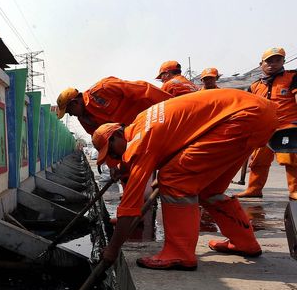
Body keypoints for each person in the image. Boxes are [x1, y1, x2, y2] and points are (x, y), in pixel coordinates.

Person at [97, 89, 279, 270]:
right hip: (257, 113)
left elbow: (129, 208)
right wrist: (123, 168)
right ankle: (244, 242)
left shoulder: (140, 143)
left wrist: (112, 250)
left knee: (174, 180)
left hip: (241, 118)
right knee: (209, 189)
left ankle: (179, 253)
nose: (115, 157)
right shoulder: (140, 124)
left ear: (118, 135)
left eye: (112, 152)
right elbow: (160, 145)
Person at [235, 47, 297, 200]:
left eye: (277, 60)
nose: (273, 64)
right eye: (269, 61)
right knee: (258, 160)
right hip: (263, 128)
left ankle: (294, 190)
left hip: (287, 126)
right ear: (261, 64)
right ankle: (254, 189)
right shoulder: (255, 86)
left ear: (283, 61)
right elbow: (247, 108)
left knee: (290, 158)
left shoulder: (292, 77)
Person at [56, 77, 171, 135]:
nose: (70, 115)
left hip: (158, 119)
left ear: (74, 102)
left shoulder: (104, 88)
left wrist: (173, 105)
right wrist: (112, 165)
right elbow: (102, 138)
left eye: (69, 111)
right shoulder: (85, 120)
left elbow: (143, 89)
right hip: (140, 135)